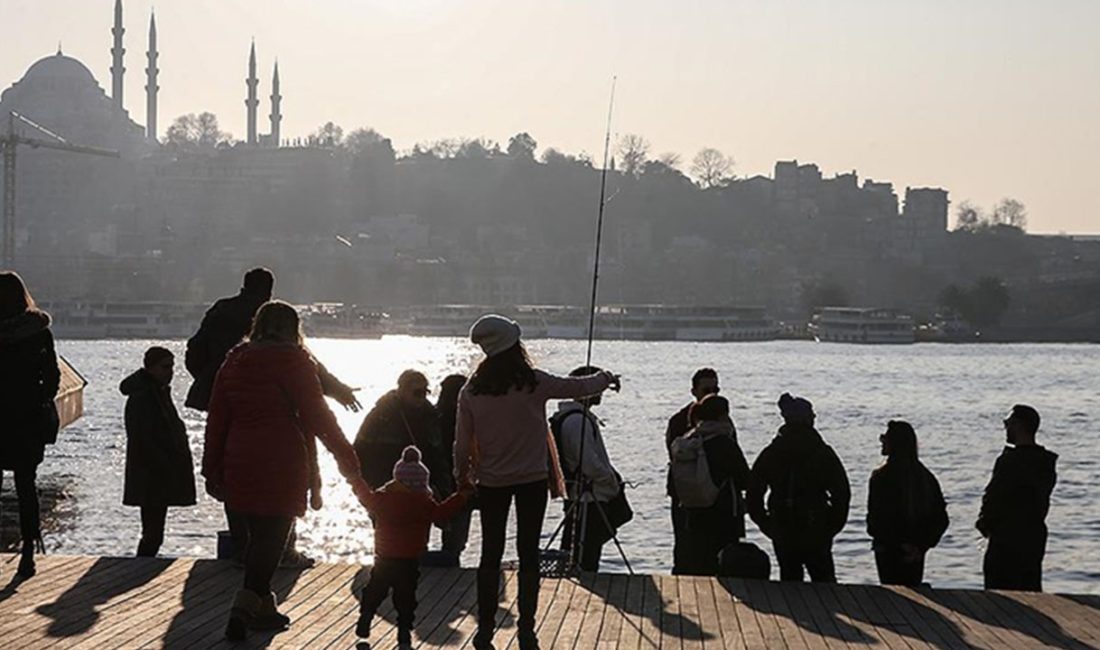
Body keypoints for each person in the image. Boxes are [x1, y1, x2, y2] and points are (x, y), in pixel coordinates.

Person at [201, 300, 372, 641]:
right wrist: (347, 458)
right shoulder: (294, 360)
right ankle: (242, 607)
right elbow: (318, 416)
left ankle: (264, 610)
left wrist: (211, 467)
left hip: (240, 455)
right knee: (272, 539)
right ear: (293, 328)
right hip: (282, 458)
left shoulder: (235, 359)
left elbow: (217, 417)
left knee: (256, 539)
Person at [454, 315, 619, 650]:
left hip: (491, 482)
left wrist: (462, 478)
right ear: (515, 346)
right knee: (528, 554)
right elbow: (577, 387)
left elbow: (461, 443)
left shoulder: (471, 390)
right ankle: (527, 630)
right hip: (531, 480)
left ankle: (484, 631)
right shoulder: (534, 383)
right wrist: (606, 377)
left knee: (490, 554)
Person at [185, 268, 360, 568]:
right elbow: (310, 378)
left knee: (235, 480)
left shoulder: (223, 319)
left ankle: (243, 548)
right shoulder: (275, 325)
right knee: (282, 489)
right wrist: (341, 392)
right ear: (269, 289)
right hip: (278, 425)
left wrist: (208, 379)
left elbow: (194, 350)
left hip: (228, 403)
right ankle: (284, 551)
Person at [356, 446, 472, 649]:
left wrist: (355, 479)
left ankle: (365, 617)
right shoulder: (422, 503)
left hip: (383, 558)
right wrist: (461, 496)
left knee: (374, 590)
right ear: (421, 483)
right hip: (409, 560)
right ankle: (403, 633)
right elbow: (442, 513)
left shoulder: (382, 499)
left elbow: (364, 496)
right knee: (406, 599)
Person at [747, 393, 850, 583]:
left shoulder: (772, 452)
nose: (814, 418)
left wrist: (767, 524)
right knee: (825, 585)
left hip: (783, 526)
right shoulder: (823, 453)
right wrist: (832, 526)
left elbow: (753, 493)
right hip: (816, 526)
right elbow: (841, 493)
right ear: (806, 419)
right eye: (812, 415)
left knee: (790, 583)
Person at [0, 272, 60, 579]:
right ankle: (27, 554)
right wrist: (38, 400)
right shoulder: (37, 331)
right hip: (27, 420)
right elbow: (52, 376)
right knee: (26, 486)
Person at [120, 347, 197, 557]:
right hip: (152, 473)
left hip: (155, 472)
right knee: (153, 532)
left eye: (171, 367)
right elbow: (142, 437)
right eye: (165, 367)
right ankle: (142, 565)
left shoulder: (156, 392)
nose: (170, 372)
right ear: (150, 367)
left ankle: (142, 564)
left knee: (153, 530)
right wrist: (164, 463)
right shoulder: (145, 396)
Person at [976, 404, 1058, 591]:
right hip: (1033, 535)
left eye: (1008, 422)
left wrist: (984, 523)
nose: (1006, 427)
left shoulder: (1009, 461)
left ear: (1019, 425)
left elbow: (995, 497)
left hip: (1005, 537)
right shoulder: (1046, 463)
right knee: (1030, 587)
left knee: (999, 591)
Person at [553, 365, 627, 572]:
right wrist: (610, 481)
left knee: (577, 548)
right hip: (588, 496)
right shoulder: (577, 421)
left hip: (580, 494)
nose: (601, 392)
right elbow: (589, 463)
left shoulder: (572, 418)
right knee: (586, 553)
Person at [668, 394, 751, 576]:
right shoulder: (723, 442)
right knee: (722, 563)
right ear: (723, 416)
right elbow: (744, 478)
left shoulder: (690, 439)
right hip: (722, 513)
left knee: (698, 560)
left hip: (693, 510)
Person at [664, 368, 734, 575]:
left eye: (716, 389)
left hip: (696, 497)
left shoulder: (723, 422)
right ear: (694, 391)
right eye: (707, 389)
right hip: (689, 497)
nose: (712, 393)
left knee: (706, 553)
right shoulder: (679, 422)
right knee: (687, 552)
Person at [866, 420, 949, 586]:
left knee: (891, 598)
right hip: (915, 551)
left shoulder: (881, 477)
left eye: (884, 437)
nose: (881, 441)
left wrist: (897, 544)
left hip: (888, 550)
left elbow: (878, 518)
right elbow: (940, 518)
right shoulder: (925, 477)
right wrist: (921, 545)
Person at [353, 370, 450, 493]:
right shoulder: (382, 416)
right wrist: (371, 489)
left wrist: (442, 489)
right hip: (388, 490)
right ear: (402, 391)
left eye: (425, 392)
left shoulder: (430, 415)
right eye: (417, 393)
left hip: (424, 490)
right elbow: (360, 449)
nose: (422, 397)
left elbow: (439, 455)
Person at [433, 373, 472, 565]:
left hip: (434, 482)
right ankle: (451, 562)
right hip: (458, 482)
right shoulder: (467, 418)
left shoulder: (432, 416)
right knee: (455, 538)